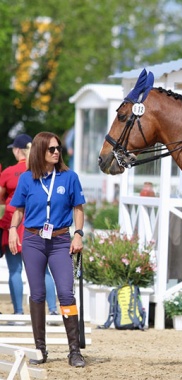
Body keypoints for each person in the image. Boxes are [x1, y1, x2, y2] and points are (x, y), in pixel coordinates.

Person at [8, 131, 86, 367]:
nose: (55, 152)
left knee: (65, 293)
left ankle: (74, 351)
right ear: (40, 151)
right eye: (51, 149)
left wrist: (79, 234)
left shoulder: (69, 177)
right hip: (33, 241)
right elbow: (18, 209)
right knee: (37, 294)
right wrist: (13, 229)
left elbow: (78, 209)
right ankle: (40, 350)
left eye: (58, 148)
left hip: (61, 241)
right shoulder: (26, 179)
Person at [0, 134, 60, 322]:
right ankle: (52, 310)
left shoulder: (9, 172)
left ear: (17, 150)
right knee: (44, 270)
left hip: (14, 224)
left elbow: (0, 199)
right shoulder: (40, 171)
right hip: (37, 223)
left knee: (15, 270)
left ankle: (18, 312)